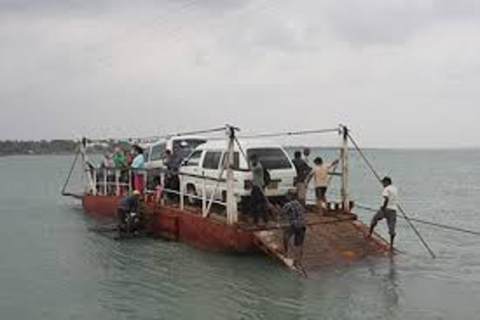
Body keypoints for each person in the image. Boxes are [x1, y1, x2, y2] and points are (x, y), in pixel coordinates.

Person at [369, 177, 398, 252]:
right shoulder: (395, 189)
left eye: (383, 183)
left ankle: (369, 234)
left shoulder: (386, 189)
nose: (383, 184)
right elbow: (393, 198)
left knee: (374, 219)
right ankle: (391, 245)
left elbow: (386, 199)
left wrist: (383, 208)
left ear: (386, 182)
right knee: (392, 227)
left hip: (386, 209)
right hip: (393, 210)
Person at [281, 192, 307, 267]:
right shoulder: (299, 204)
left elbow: (282, 213)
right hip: (303, 225)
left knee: (285, 236)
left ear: (289, 197)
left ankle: (285, 252)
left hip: (295, 225)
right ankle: (298, 261)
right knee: (299, 244)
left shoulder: (288, 205)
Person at [250, 154, 268, 225]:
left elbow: (250, 169)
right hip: (255, 186)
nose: (252, 161)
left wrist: (234, 167)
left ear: (256, 159)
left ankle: (264, 219)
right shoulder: (254, 164)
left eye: (253, 159)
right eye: (252, 160)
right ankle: (256, 219)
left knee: (260, 203)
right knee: (253, 203)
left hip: (259, 187)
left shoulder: (259, 166)